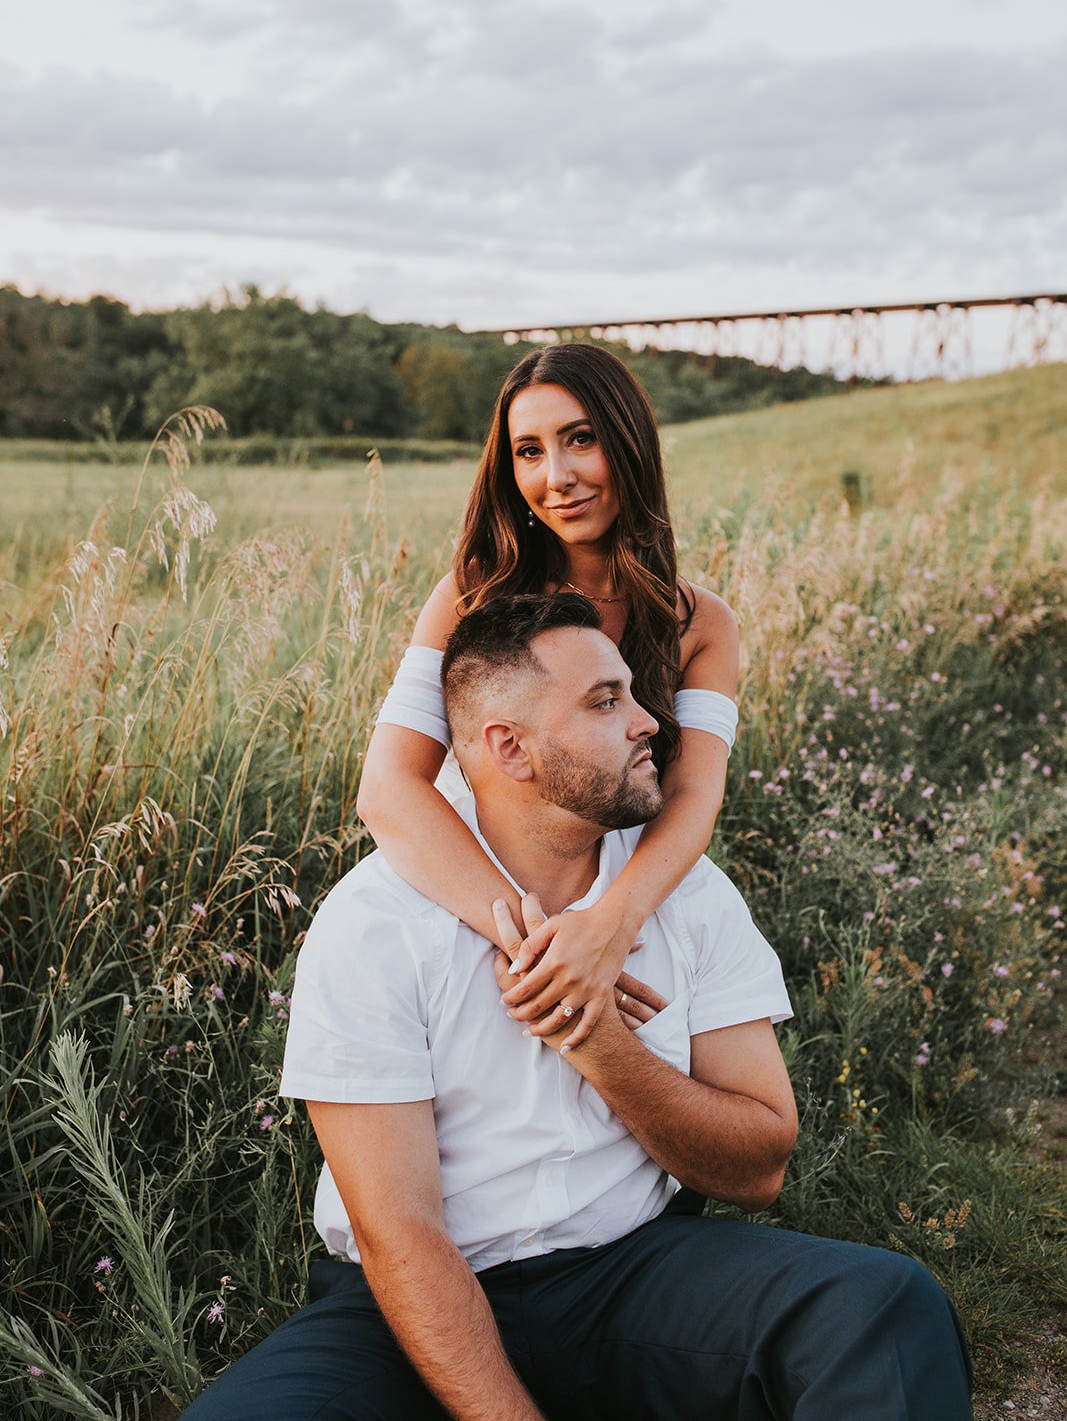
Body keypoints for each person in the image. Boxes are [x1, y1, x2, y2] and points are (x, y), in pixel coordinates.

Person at [182, 594, 973, 1421]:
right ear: (510, 748)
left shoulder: (686, 895)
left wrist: (599, 1042)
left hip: (628, 1273)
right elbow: (398, 1232)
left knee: (880, 1308)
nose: (650, 726)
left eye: (632, 693)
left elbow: (758, 1166)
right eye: (605, 701)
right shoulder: (375, 921)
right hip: (404, 1306)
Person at [357, 342, 740, 1049]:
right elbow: (385, 788)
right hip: (473, 888)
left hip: (628, 898)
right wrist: (542, 944)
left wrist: (607, 926)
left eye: (580, 440)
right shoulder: (470, 594)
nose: (555, 477)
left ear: (628, 445)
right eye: (527, 451)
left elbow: (694, 797)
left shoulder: (701, 623)